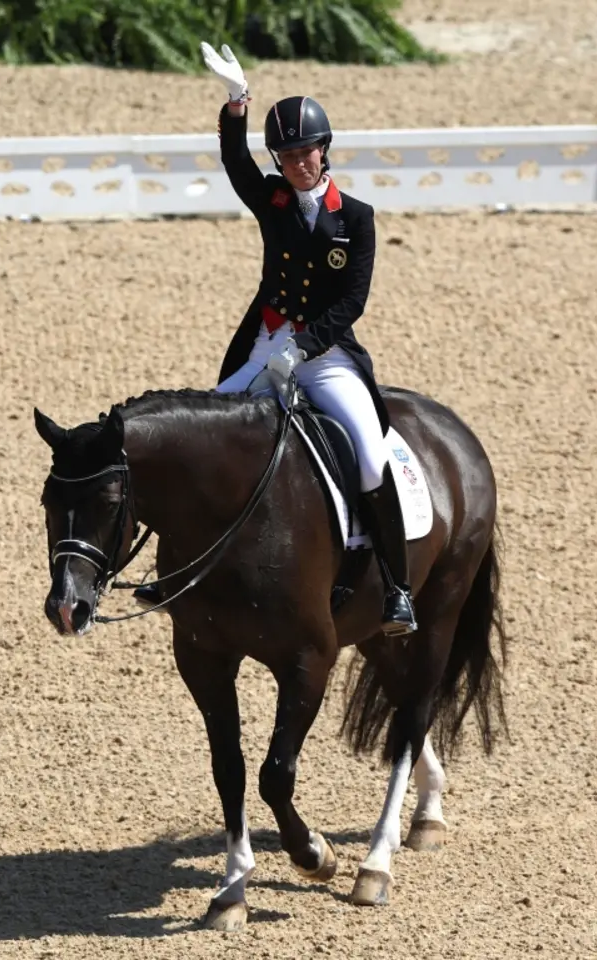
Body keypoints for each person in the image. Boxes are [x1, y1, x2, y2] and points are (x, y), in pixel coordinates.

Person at [134, 42, 417, 636]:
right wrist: (237, 101)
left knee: (369, 454)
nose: (296, 164)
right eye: (285, 156)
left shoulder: (356, 218)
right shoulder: (274, 201)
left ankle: (397, 587)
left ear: (324, 150)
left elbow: (352, 301)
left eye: (304, 152)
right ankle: (180, 566)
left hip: (326, 357)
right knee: (204, 436)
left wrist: (306, 346)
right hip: (264, 346)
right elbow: (237, 163)